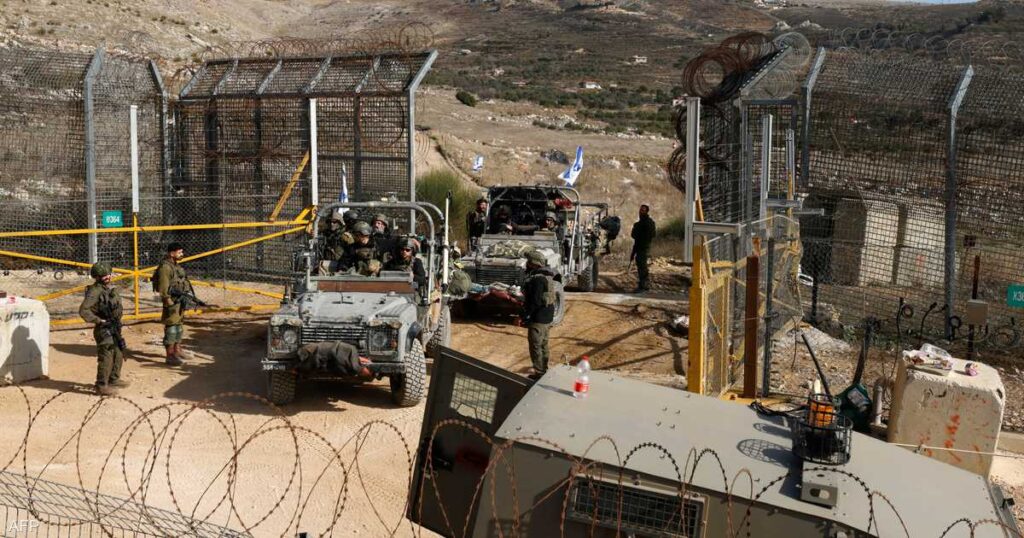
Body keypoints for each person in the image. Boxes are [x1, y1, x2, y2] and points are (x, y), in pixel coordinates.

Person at [79, 263, 129, 395]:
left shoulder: (106, 289)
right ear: (97, 277)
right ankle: (101, 385)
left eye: (109, 274)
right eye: (104, 275)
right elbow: (84, 310)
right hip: (104, 329)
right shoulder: (94, 291)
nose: (108, 277)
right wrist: (98, 321)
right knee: (106, 356)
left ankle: (114, 379)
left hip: (114, 326)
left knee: (118, 352)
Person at [520, 250, 557, 380]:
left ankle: (539, 373)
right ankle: (544, 369)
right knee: (543, 344)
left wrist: (525, 316)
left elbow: (534, 301)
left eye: (529, 262)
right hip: (547, 316)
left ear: (534, 264)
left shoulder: (537, 279)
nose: (527, 264)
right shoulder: (547, 276)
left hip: (538, 318)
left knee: (535, 346)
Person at [155, 242, 189, 366]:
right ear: (172, 253)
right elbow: (163, 287)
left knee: (179, 325)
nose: (181, 254)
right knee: (171, 327)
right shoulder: (165, 267)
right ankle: (170, 355)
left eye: (181, 252)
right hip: (172, 301)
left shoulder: (175, 265)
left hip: (179, 300)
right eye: (179, 252)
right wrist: (167, 301)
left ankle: (177, 350)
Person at [630, 204, 657, 293]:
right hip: (639, 247)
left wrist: (642, 238)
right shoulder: (639, 224)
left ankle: (643, 286)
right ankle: (643, 285)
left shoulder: (648, 223)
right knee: (641, 266)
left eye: (643, 210)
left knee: (642, 267)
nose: (641, 212)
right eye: (640, 210)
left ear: (646, 212)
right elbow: (634, 236)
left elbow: (652, 234)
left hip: (644, 247)